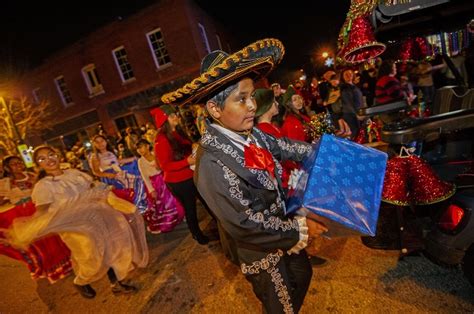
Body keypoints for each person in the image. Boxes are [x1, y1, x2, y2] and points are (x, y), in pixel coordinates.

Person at [161, 38, 328, 314]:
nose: (252, 105)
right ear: (215, 109)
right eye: (241, 99)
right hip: (259, 249)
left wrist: (323, 153)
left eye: (251, 96)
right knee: (281, 306)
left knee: (302, 276)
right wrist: (301, 228)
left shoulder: (253, 133)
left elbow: (285, 147)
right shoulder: (211, 162)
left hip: (282, 229)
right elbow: (245, 222)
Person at [7, 146, 148, 298]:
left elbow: (94, 186)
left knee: (111, 249)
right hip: (75, 229)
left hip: (96, 218)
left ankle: (116, 284)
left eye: (51, 154)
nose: (49, 160)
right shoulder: (43, 186)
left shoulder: (74, 173)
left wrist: (108, 189)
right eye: (42, 159)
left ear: (58, 155)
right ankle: (81, 280)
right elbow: (42, 210)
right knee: (92, 259)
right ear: (38, 165)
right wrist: (32, 226)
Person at [0, 155, 73, 283]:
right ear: (7, 168)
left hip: (39, 210)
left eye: (19, 162)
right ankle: (51, 269)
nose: (17, 165)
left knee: (53, 238)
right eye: (13, 164)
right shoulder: (4, 183)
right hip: (23, 215)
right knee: (40, 243)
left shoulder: (32, 175)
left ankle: (68, 263)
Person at [150, 105, 210, 245]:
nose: (176, 117)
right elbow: (165, 166)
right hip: (178, 181)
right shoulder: (161, 140)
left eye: (175, 114)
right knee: (190, 208)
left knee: (206, 198)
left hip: (190, 174)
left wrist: (194, 146)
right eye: (172, 116)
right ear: (165, 120)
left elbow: (185, 147)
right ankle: (196, 234)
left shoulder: (177, 131)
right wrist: (187, 161)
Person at [90, 134, 148, 213]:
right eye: (97, 142)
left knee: (137, 181)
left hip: (118, 173)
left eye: (102, 141)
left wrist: (132, 159)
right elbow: (95, 171)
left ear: (105, 141)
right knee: (124, 193)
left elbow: (118, 161)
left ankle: (137, 206)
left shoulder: (110, 152)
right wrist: (108, 175)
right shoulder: (95, 156)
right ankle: (133, 209)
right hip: (110, 178)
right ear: (94, 144)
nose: (100, 144)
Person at [136, 139, 184, 233]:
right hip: (155, 184)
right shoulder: (140, 161)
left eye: (141, 147)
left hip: (164, 178)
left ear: (147, 146)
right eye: (138, 148)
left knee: (173, 199)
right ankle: (168, 221)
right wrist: (151, 190)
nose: (140, 150)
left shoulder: (155, 154)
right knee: (162, 204)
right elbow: (144, 176)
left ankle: (179, 216)